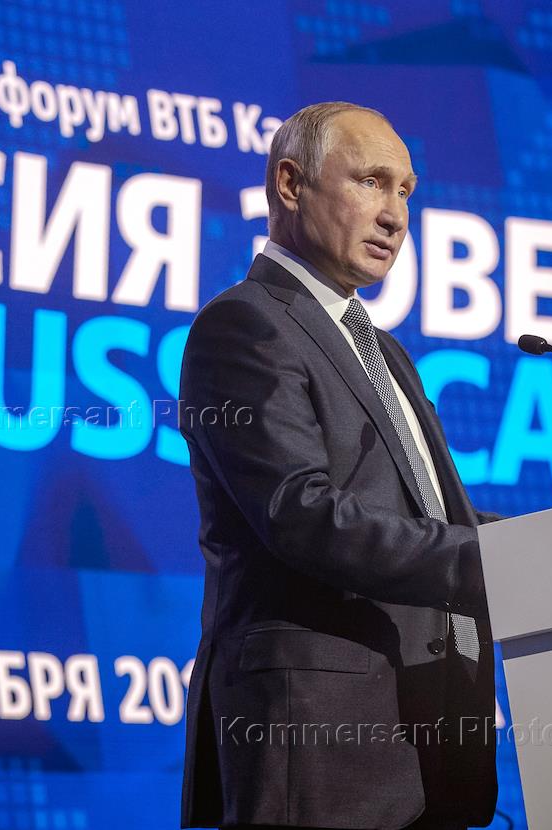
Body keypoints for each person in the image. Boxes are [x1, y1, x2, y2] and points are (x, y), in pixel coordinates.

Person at [178, 102, 501, 830]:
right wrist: (494, 563)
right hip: (319, 743)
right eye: (371, 182)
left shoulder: (382, 349)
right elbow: (302, 515)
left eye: (405, 192)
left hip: (427, 735)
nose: (395, 216)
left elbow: (429, 516)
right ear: (291, 184)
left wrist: (545, 548)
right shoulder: (245, 324)